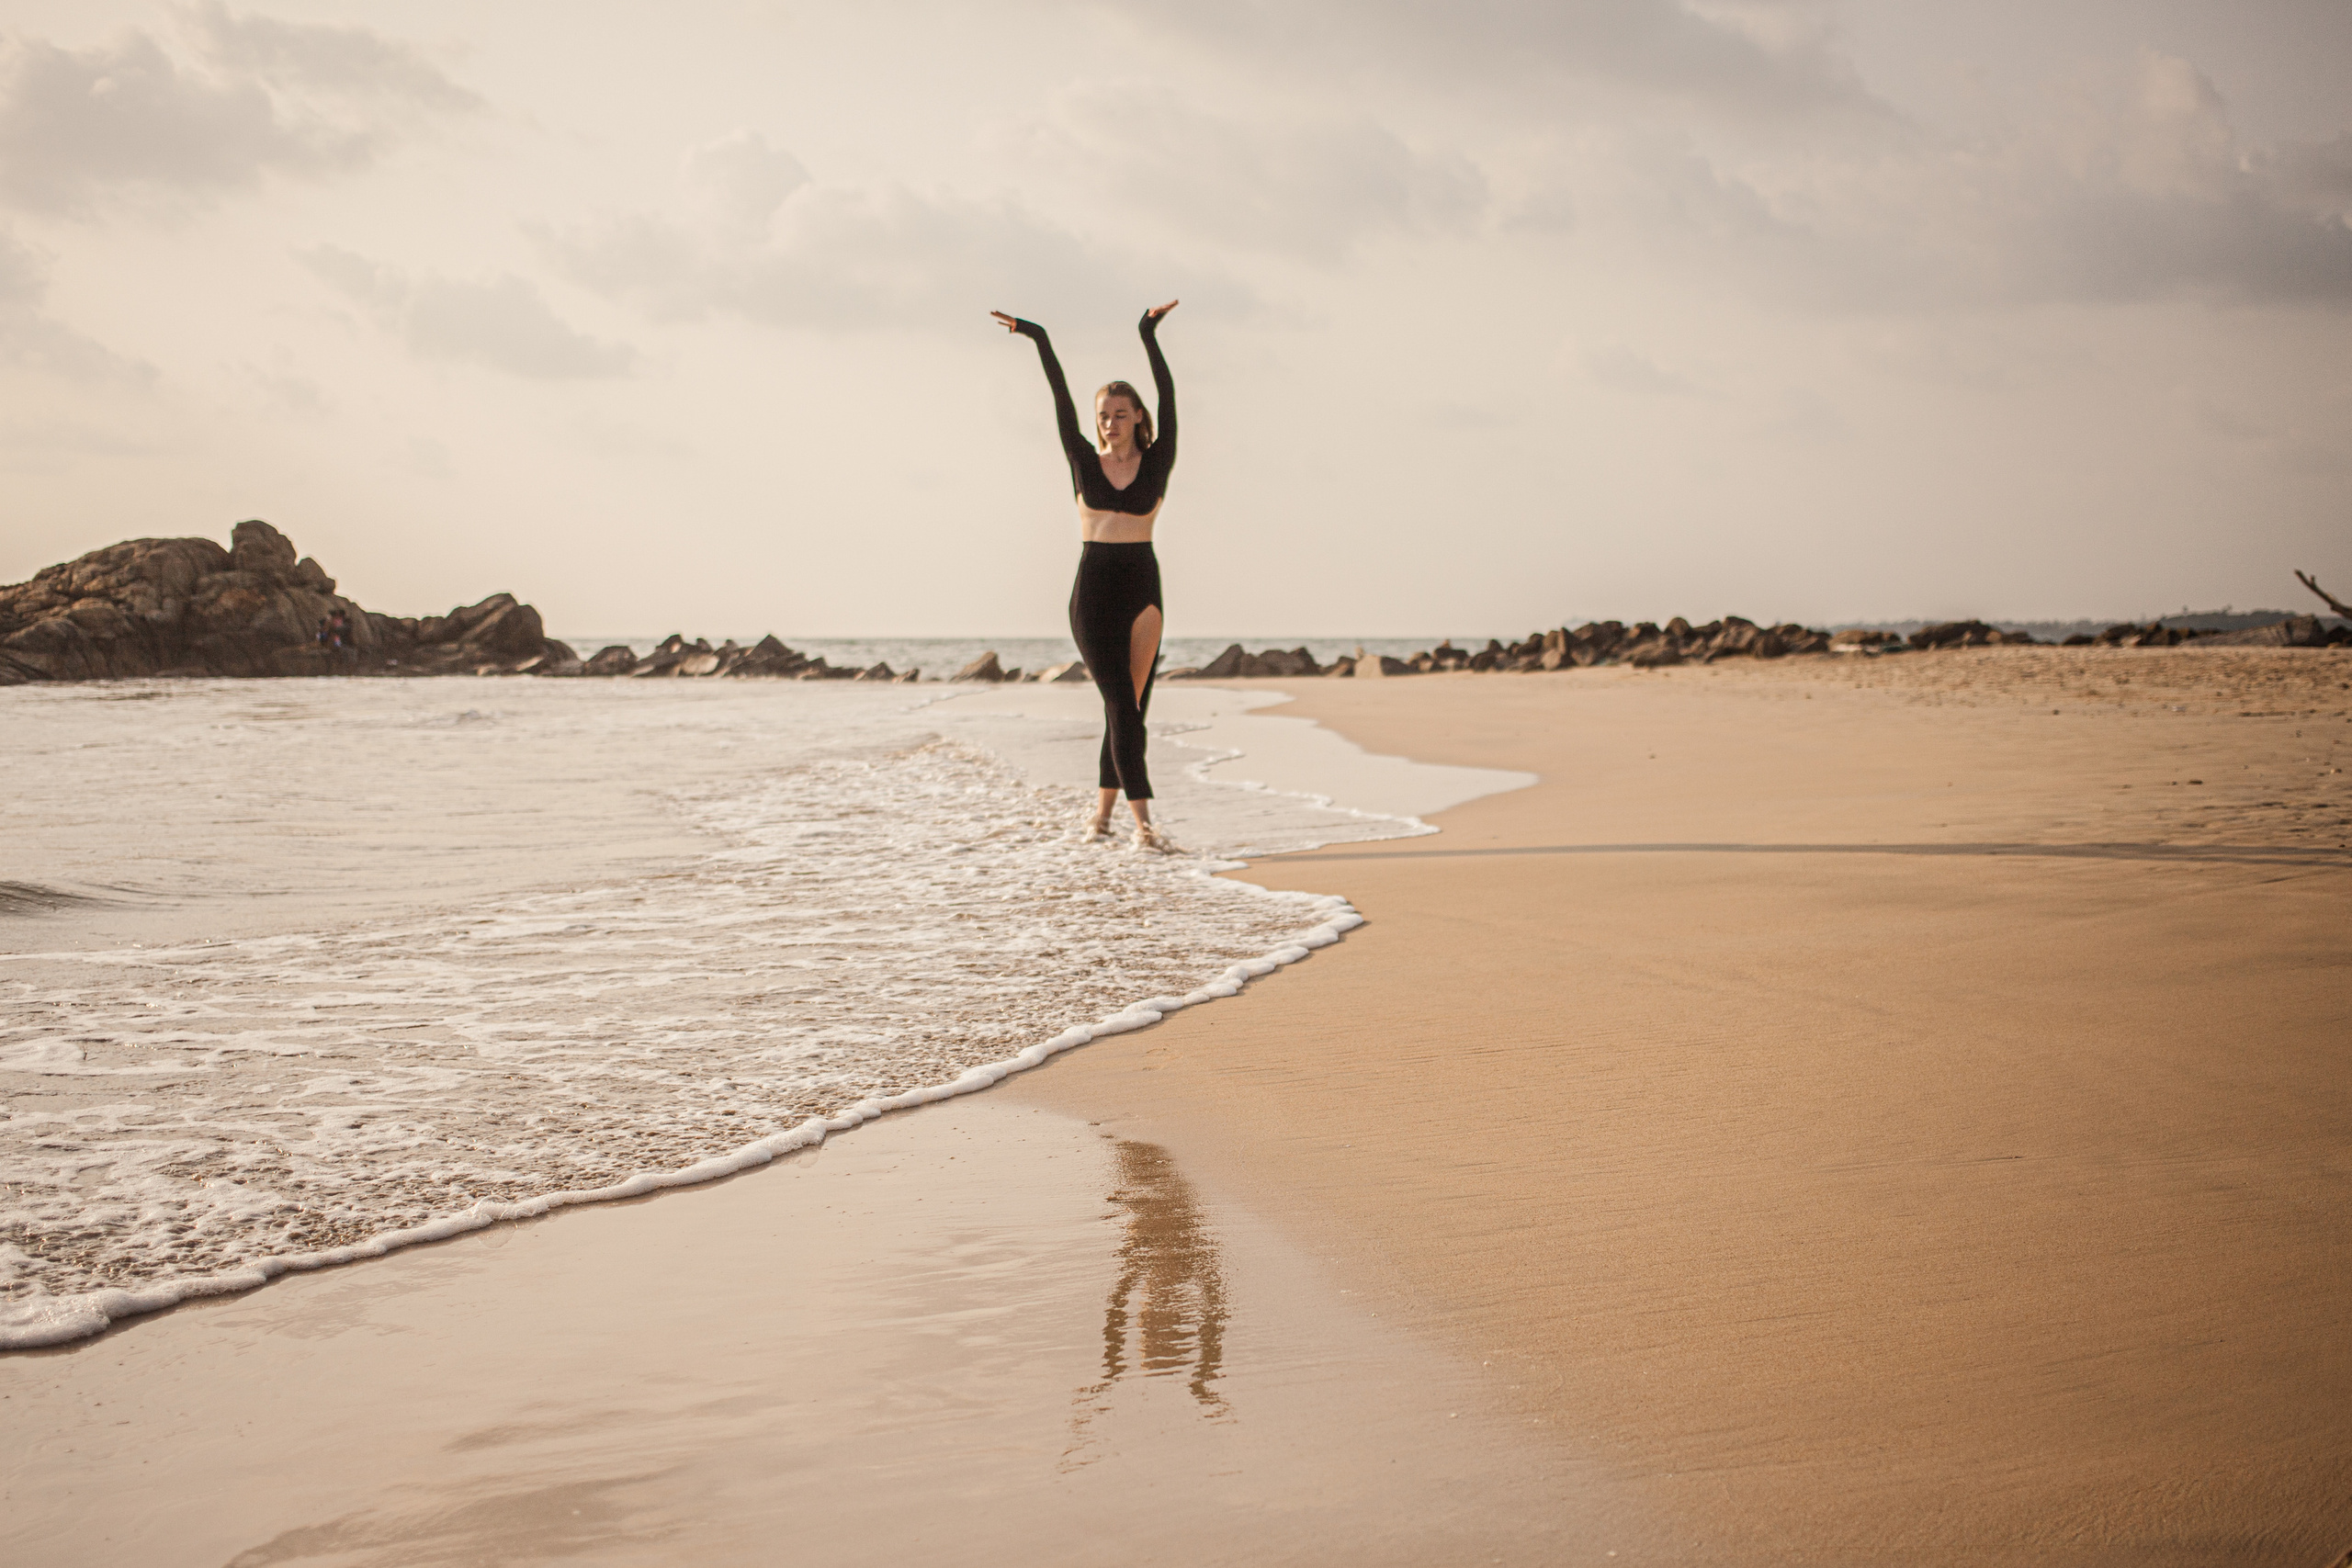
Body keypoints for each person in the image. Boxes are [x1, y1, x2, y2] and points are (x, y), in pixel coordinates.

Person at [991, 299, 1181, 852]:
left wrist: (1148, 335)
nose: (1110, 422)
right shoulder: (1080, 458)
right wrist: (1036, 335)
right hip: (1093, 592)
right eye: (1103, 413)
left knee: (1129, 708)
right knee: (1122, 706)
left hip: (1143, 586)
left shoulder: (1159, 458)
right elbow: (1058, 393)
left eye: (1121, 413)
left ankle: (1099, 819)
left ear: (1138, 418)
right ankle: (1146, 828)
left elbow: (1170, 395)